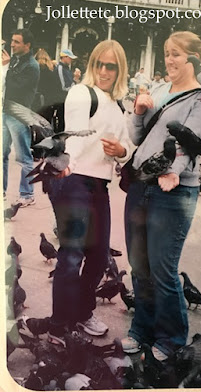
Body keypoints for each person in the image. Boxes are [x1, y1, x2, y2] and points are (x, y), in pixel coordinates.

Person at [121, 31, 201, 361]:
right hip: (140, 185)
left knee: (163, 269)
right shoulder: (160, 90)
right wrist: (138, 110)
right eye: (166, 53)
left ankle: (172, 338)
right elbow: (136, 135)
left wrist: (173, 170)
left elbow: (190, 144)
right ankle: (141, 330)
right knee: (139, 265)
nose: (169, 60)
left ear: (192, 58)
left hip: (173, 191)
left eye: (176, 54)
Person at [46, 40, 132, 345]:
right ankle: (60, 324)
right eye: (100, 64)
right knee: (71, 256)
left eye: (112, 66)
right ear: (92, 64)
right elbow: (75, 135)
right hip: (74, 180)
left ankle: (82, 313)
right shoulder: (83, 93)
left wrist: (121, 151)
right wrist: (65, 163)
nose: (105, 71)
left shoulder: (119, 101)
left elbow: (126, 148)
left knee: (98, 257)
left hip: (99, 184)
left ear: (120, 69)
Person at [2, 28, 40, 206]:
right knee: (2, 154)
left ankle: (27, 194)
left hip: (18, 115)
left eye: (16, 42)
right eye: (12, 41)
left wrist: (7, 67)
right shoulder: (16, 61)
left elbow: (17, 87)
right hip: (6, 111)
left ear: (27, 45)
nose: (12, 44)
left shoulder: (32, 65)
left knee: (23, 156)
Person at [53, 49, 77, 132]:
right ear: (64, 57)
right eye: (70, 58)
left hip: (66, 98)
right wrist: (75, 81)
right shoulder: (60, 68)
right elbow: (64, 87)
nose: (71, 60)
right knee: (62, 120)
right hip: (62, 99)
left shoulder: (66, 68)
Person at [32, 48, 59, 123]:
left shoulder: (32, 73)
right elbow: (56, 90)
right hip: (48, 104)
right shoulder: (51, 74)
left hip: (34, 103)